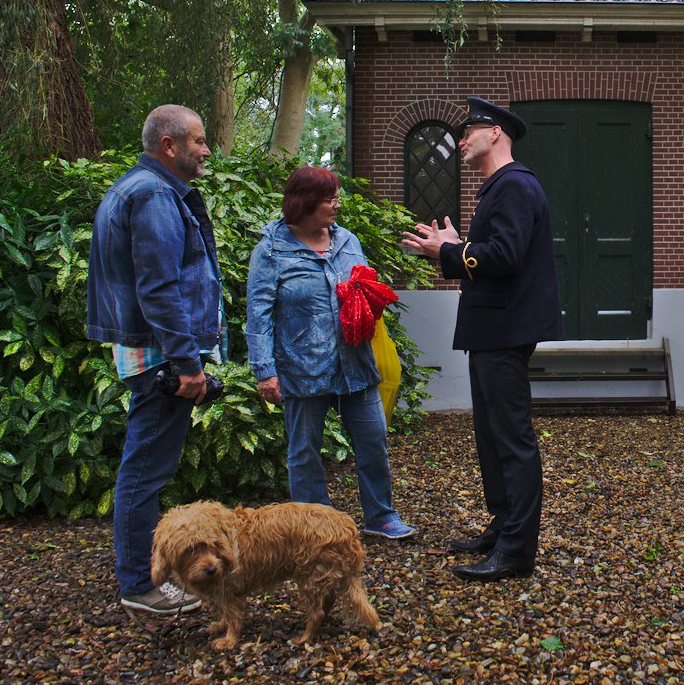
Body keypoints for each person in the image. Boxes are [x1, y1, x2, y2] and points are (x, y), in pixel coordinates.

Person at [401, 97, 562, 582]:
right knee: (492, 436)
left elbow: (506, 256)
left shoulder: (514, 185)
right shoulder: (499, 189)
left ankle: (517, 550)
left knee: (511, 438)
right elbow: (492, 254)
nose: (461, 139)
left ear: (495, 133)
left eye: (469, 130)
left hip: (504, 330)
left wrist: (449, 252)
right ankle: (504, 525)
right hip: (492, 328)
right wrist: (457, 245)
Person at [87, 104, 223, 615]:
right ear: (169, 146)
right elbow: (161, 289)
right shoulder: (153, 196)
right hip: (163, 359)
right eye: (198, 141)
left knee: (143, 470)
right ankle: (139, 585)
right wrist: (188, 365)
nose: (206, 150)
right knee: (144, 473)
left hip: (154, 353)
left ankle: (141, 577)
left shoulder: (138, 189)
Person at [246, 166, 416, 541]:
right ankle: (315, 525)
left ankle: (381, 517)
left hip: (355, 363)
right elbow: (258, 315)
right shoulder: (271, 251)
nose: (337, 205)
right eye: (330, 199)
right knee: (304, 452)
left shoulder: (347, 240)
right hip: (301, 368)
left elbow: (365, 284)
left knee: (373, 441)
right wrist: (265, 371)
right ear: (305, 203)